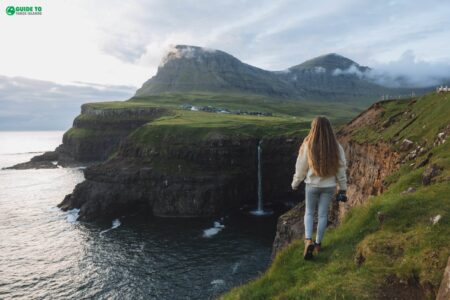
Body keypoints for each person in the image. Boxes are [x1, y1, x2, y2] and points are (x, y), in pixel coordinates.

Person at [291, 116, 347, 260]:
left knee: (309, 213)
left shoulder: (308, 144)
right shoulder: (336, 146)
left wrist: (295, 183)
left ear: (313, 128)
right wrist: (343, 188)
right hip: (329, 186)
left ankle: (308, 239)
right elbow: (341, 168)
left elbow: (301, 167)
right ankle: (318, 243)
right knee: (323, 215)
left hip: (312, 185)